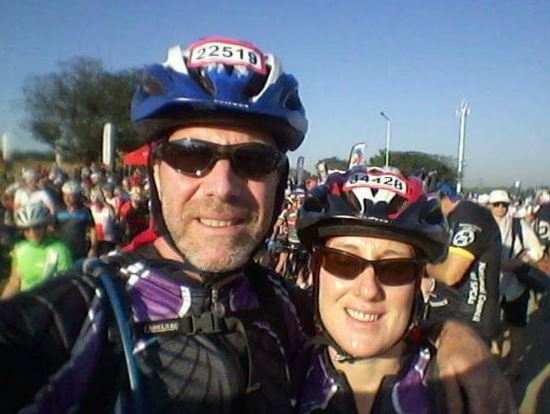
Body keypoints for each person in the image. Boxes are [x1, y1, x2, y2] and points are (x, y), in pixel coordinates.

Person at [0, 37, 513, 414]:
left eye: (252, 160)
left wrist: (455, 337)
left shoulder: (284, 305)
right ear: (154, 171)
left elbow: (373, 314)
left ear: (279, 180)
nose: (222, 186)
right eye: (192, 156)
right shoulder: (77, 314)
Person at [295, 166, 515, 413]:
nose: (368, 290)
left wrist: (455, 336)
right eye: (343, 262)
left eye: (395, 268)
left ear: (419, 281)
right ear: (315, 270)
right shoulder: (277, 369)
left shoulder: (462, 396)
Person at [426, 183, 502, 344]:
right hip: (457, 308)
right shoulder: (453, 218)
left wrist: (423, 268)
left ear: (442, 197)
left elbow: (451, 275)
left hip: (474, 313)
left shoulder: (470, 216)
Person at [489, 189, 545, 379]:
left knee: (516, 329)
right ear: (490, 205)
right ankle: (495, 360)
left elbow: (537, 251)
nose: (500, 208)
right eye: (496, 204)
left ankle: (514, 367)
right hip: (492, 285)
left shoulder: (519, 225)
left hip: (515, 287)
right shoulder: (485, 226)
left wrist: (519, 262)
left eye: (504, 204)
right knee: (493, 327)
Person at [1, 202, 72, 299]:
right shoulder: (20, 249)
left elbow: (65, 287)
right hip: (25, 303)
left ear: (45, 226)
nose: (32, 233)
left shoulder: (60, 250)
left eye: (37, 227)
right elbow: (14, 283)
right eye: (27, 229)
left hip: (49, 303)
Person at [56, 180, 98, 268]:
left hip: (79, 251)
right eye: (65, 195)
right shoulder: (58, 210)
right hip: (62, 250)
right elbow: (51, 229)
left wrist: (93, 248)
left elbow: (92, 229)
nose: (67, 198)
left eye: (70, 195)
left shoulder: (85, 211)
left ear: (77, 196)